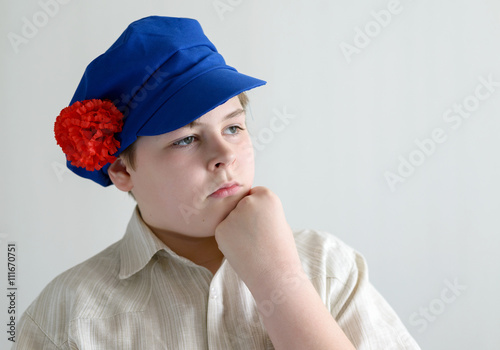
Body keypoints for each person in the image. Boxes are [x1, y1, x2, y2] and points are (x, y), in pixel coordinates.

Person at [14, 16, 421, 349]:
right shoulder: (69, 316)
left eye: (233, 128)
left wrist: (280, 283)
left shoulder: (329, 267)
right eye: (187, 139)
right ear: (122, 170)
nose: (224, 156)